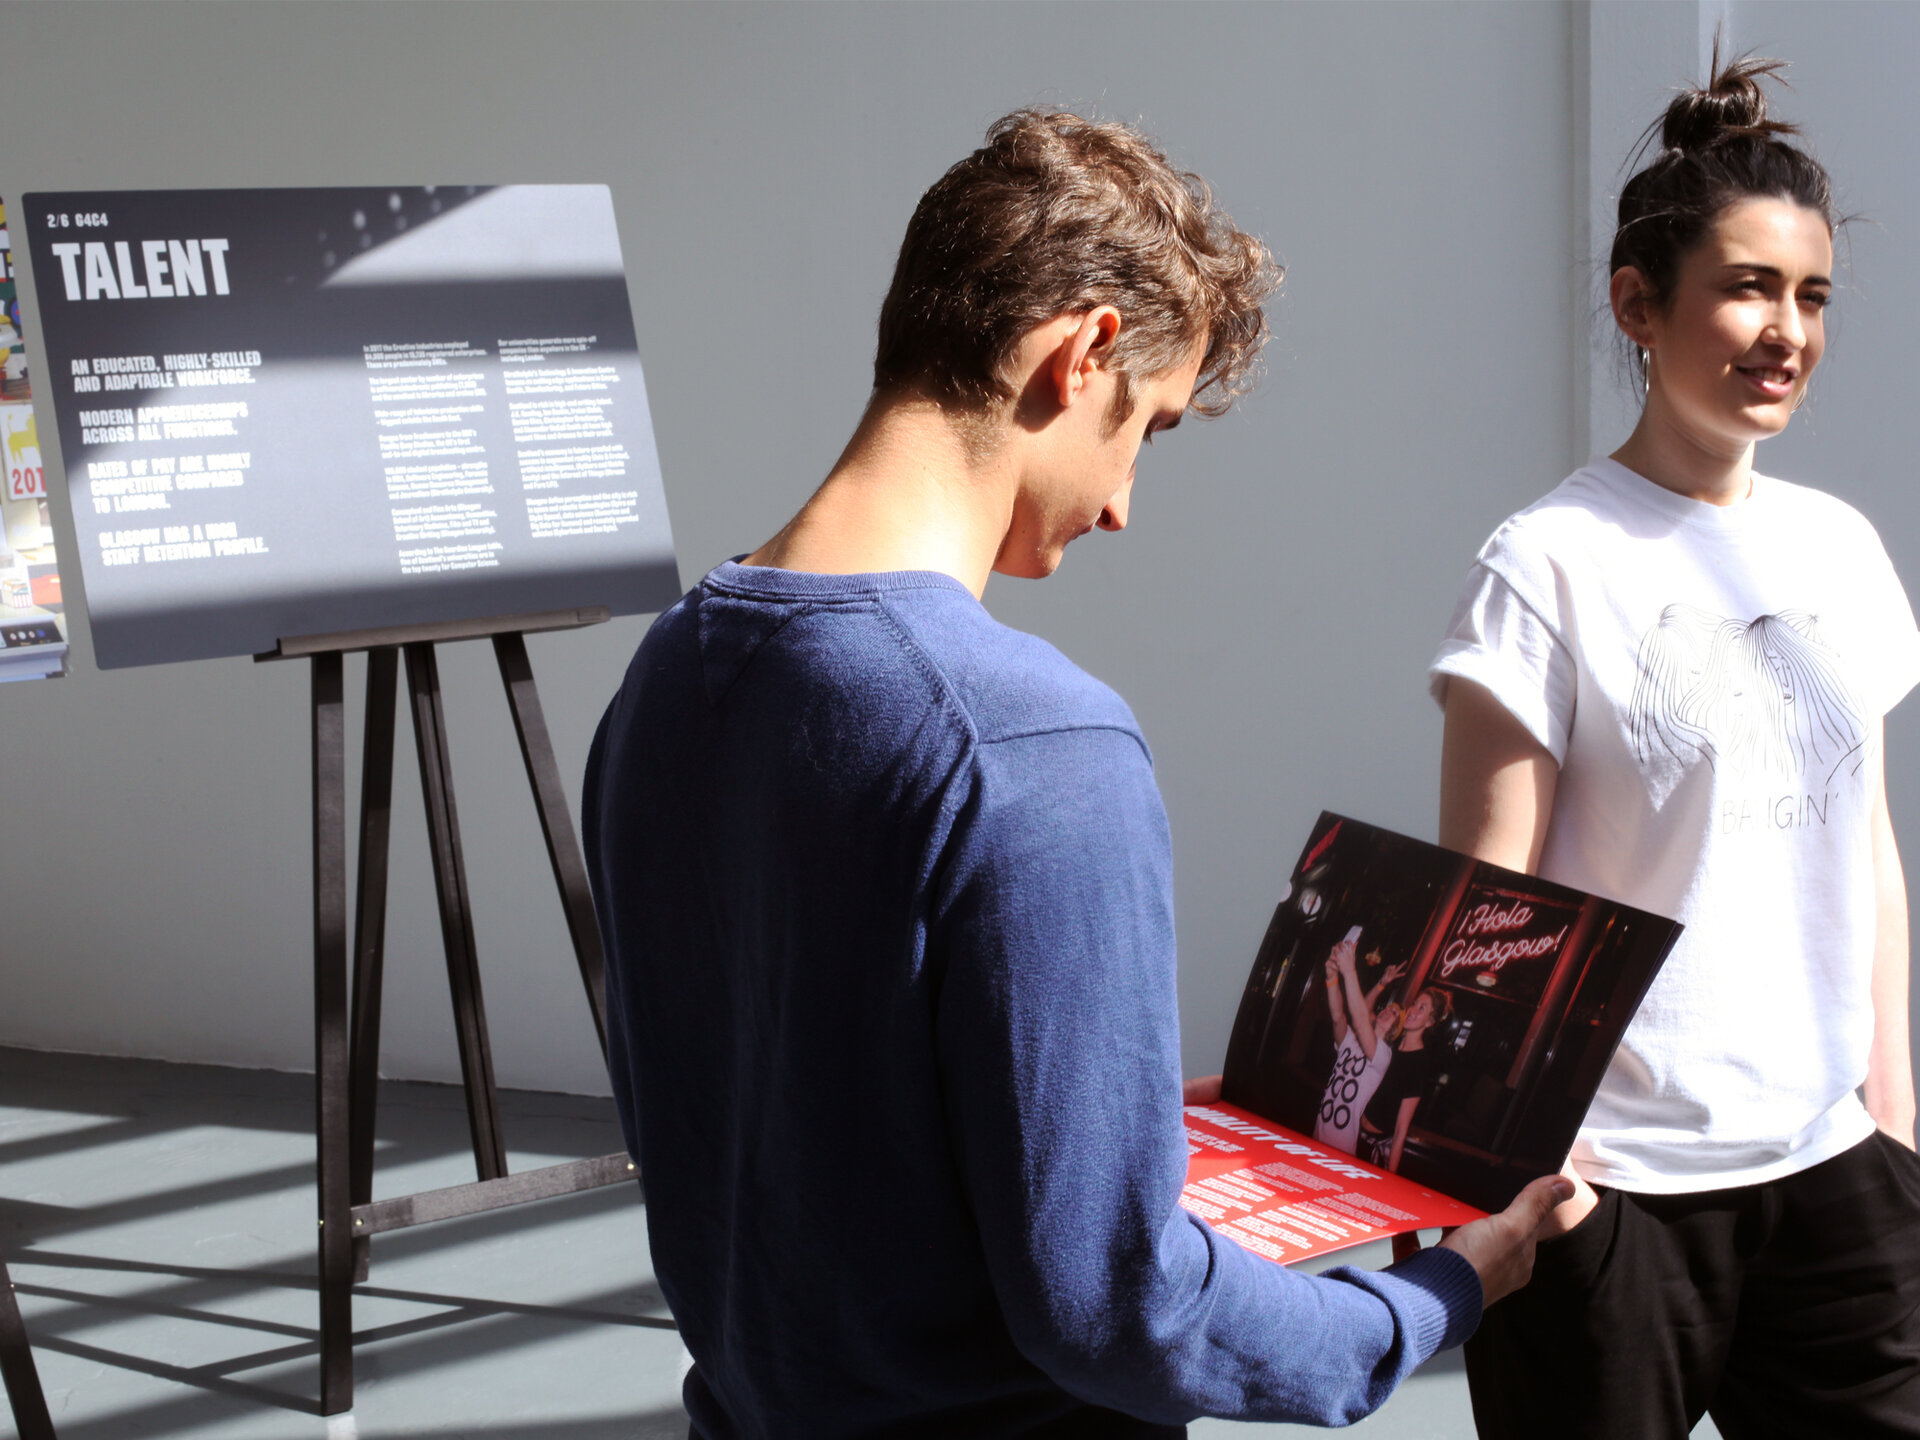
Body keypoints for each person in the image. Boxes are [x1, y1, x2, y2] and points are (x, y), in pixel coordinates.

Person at [583, 109, 1568, 1438]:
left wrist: (1112, 1119)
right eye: (1146, 428)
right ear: (1082, 351)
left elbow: (786, 1110)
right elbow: (1117, 1306)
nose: (1120, 504)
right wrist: (1434, 1298)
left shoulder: (666, 675)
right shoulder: (1038, 744)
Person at [1429, 54, 1920, 1439]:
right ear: (1638, 305)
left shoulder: (1840, 547)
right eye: (1749, 288)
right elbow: (1488, 900)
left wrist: (1894, 1110)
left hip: (1834, 1165)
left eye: (1812, 295)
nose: (1787, 331)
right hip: (1611, 1182)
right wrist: (1527, 1166)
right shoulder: (1547, 563)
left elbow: (1867, 846)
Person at [1313, 939, 1406, 1152]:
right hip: (1316, 1136)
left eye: (1394, 1014)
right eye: (1388, 1008)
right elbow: (1338, 1016)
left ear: (1395, 1030)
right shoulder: (1352, 1040)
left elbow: (1361, 1019)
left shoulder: (1383, 1055)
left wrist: (1349, 971)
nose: (1388, 1011)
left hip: (1340, 1149)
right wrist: (1332, 978)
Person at [1358, 987, 1451, 1174]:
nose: (1412, 1010)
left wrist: (1390, 1177)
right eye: (1414, 1004)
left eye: (1422, 1008)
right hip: (1353, 1132)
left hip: (1372, 1148)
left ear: (1430, 1021)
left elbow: (1401, 1129)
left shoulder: (1419, 1064)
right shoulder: (1391, 1043)